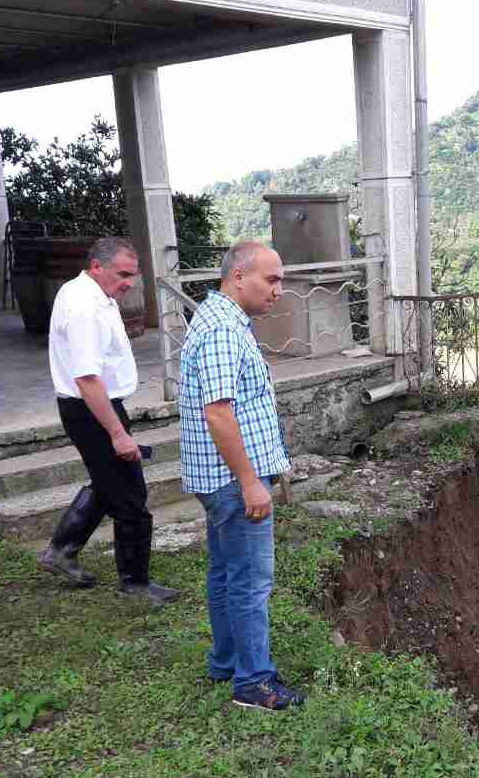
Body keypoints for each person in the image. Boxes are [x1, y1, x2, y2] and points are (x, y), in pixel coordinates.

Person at [179, 241, 303, 711]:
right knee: (250, 578)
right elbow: (218, 414)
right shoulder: (222, 332)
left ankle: (227, 661)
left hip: (221, 477)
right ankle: (253, 682)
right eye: (271, 280)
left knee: (227, 573)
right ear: (238, 277)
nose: (279, 290)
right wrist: (251, 481)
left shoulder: (223, 322)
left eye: (281, 281)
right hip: (232, 479)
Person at [37, 236, 179, 605]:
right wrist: (116, 432)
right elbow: (86, 378)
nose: (129, 282)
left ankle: (61, 550)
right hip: (91, 408)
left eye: (133, 275)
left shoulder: (95, 295)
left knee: (107, 483)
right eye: (123, 274)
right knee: (131, 496)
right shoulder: (84, 305)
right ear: (97, 266)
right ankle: (135, 583)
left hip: (97, 405)